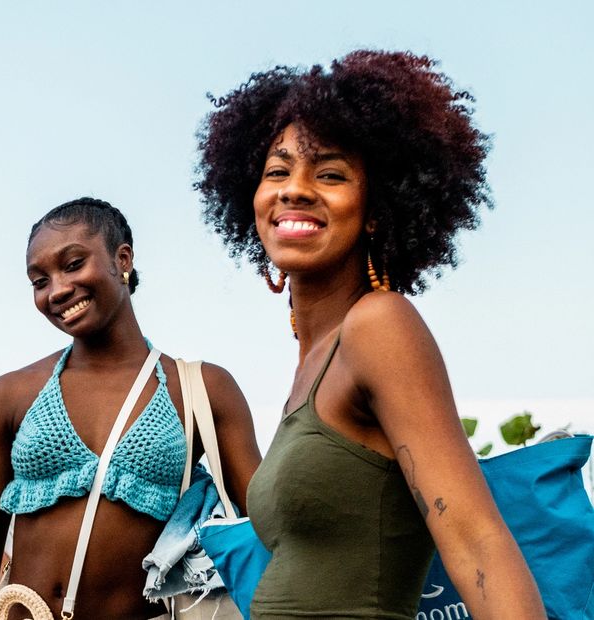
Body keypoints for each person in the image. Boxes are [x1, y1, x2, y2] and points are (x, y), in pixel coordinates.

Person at [193, 50, 545, 618]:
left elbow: (477, 539)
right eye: (277, 171)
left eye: (329, 174)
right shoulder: (314, 361)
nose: (295, 190)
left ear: (376, 209)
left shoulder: (379, 326)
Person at [0, 198, 262, 620]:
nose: (56, 290)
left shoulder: (203, 389)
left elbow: (268, 529)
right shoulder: (10, 396)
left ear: (122, 258)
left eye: (73, 264)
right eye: (40, 281)